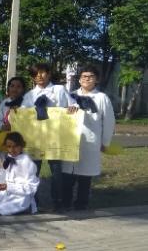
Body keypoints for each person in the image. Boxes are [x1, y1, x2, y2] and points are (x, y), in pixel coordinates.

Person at [21, 62, 77, 211]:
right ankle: (33, 202)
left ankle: (58, 202)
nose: (39, 76)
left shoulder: (59, 90)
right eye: (35, 74)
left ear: (49, 73)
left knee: (57, 171)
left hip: (55, 137)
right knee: (33, 171)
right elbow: (22, 115)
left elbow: (74, 105)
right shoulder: (29, 95)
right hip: (36, 139)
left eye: (42, 72)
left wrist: (73, 108)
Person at [61, 65, 115, 211]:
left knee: (85, 178)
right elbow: (60, 117)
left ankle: (81, 205)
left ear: (96, 80)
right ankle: (65, 204)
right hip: (71, 141)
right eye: (84, 76)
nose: (87, 79)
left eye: (91, 76)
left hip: (90, 142)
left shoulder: (102, 98)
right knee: (68, 175)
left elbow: (109, 121)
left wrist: (105, 142)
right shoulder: (70, 96)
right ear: (79, 79)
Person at [0, 132, 39, 216]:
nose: (12, 150)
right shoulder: (10, 158)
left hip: (20, 199)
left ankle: (27, 209)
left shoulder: (27, 163)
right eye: (9, 147)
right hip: (7, 194)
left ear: (22, 145)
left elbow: (30, 188)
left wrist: (8, 187)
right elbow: (9, 175)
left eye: (15, 146)